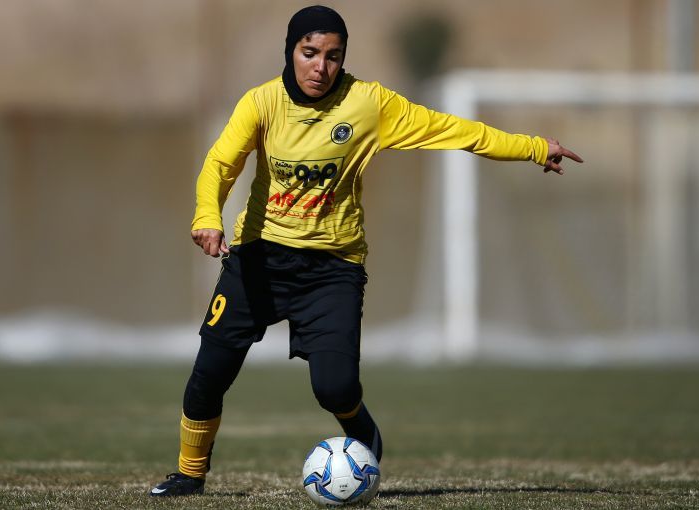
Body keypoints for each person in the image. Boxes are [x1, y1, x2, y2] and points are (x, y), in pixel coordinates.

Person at [149, 4, 582, 497]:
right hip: (258, 260)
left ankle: (363, 432)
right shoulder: (261, 103)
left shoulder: (368, 104)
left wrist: (533, 147)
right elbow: (220, 165)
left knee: (334, 388)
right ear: (290, 51)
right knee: (209, 373)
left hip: (331, 269)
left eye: (333, 56)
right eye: (309, 52)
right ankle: (189, 474)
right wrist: (207, 217)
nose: (321, 66)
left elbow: (452, 129)